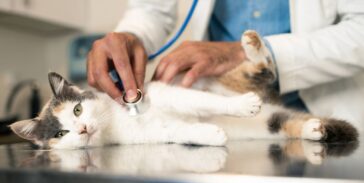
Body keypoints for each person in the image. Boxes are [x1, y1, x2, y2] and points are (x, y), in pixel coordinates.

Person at [87, 0, 364, 129]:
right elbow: (151, 10)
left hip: (323, 113)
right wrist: (132, 36)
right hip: (225, 121)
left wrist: (250, 53)